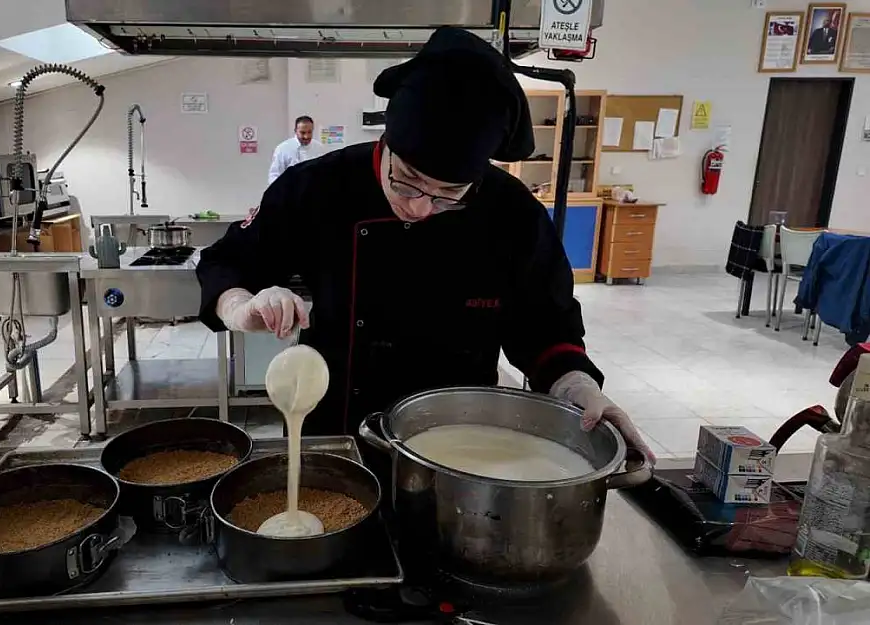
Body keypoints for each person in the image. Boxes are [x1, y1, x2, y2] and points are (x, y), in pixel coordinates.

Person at [197, 27, 654, 463]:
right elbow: (228, 261)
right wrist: (241, 306)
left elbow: (545, 326)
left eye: (448, 195)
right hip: (336, 431)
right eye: (407, 181)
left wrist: (578, 389)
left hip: (461, 439)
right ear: (387, 142)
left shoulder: (512, 213)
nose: (419, 207)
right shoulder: (317, 187)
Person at [267, 116, 325, 185]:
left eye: (309, 132)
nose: (306, 136)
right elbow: (274, 175)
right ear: (295, 131)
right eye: (302, 133)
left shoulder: (319, 148)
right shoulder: (283, 148)